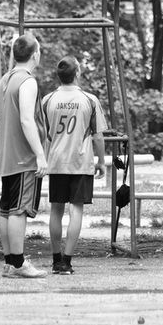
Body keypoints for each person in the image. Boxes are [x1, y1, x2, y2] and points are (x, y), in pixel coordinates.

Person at [40, 56, 107, 275]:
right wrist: (101, 162)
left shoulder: (48, 100)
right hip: (80, 162)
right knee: (76, 209)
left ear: (58, 76)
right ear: (78, 72)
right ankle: (67, 262)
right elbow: (98, 136)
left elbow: (43, 134)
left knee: (56, 210)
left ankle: (55, 260)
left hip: (56, 162)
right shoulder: (89, 100)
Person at [0, 33, 49, 279]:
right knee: (19, 210)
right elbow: (27, 119)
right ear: (35, 54)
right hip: (23, 155)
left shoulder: (5, 79)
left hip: (7, 155)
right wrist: (40, 154)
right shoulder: (28, 82)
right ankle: (18, 264)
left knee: (7, 210)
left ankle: (9, 262)